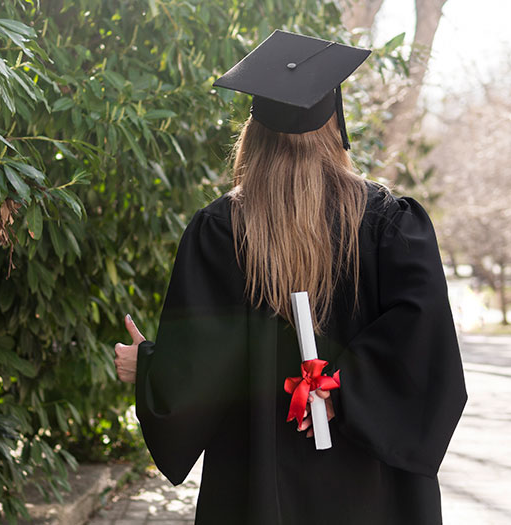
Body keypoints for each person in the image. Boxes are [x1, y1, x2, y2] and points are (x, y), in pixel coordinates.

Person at [113, 30, 467, 525]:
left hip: (257, 487)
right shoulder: (391, 225)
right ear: (334, 124)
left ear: (253, 132)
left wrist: (149, 367)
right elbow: (422, 349)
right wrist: (346, 386)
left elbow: (200, 371)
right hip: (374, 491)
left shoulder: (221, 230)